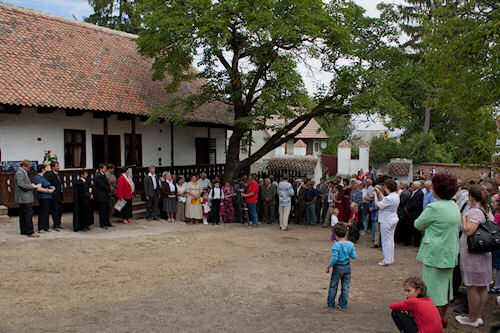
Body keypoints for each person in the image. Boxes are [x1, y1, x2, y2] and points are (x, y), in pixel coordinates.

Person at [414, 173, 460, 326]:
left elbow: (418, 224)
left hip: (435, 254)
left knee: (432, 291)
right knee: (446, 289)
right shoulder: (454, 206)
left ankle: (430, 321)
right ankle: (441, 317)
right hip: (449, 252)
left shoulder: (434, 207)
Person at [455, 185, 494, 328]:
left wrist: (463, 218)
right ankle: (478, 316)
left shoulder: (475, 212)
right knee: (482, 286)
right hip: (483, 253)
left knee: (472, 286)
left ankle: (472, 317)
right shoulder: (487, 210)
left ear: (471, 196)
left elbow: (468, 230)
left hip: (474, 254)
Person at [325, 222, 356, 310]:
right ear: (347, 233)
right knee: (345, 287)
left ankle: (330, 303)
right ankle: (343, 305)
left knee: (333, 285)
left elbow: (335, 258)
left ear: (335, 234)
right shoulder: (350, 244)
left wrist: (328, 266)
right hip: (347, 267)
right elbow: (354, 256)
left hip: (338, 267)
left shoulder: (336, 245)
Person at [374, 179, 400, 266]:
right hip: (393, 218)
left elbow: (378, 205)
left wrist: (375, 196)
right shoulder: (395, 196)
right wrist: (379, 193)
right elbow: (385, 199)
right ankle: (390, 258)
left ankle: (387, 260)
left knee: (386, 241)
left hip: (386, 220)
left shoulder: (390, 198)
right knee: (390, 240)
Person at [15, 160, 39, 237]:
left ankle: (24, 230)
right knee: (28, 213)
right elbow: (21, 184)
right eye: (28, 167)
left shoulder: (22, 172)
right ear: (24, 166)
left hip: (24, 197)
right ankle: (30, 231)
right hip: (24, 197)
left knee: (23, 214)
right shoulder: (20, 173)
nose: (29, 169)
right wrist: (31, 186)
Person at [34, 164, 55, 233]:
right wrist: (48, 191)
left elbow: (46, 184)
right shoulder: (38, 177)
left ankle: (46, 227)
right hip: (43, 197)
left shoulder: (43, 177)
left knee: (46, 212)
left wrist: (51, 187)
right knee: (43, 212)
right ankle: (41, 228)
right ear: (42, 170)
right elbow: (39, 188)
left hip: (48, 197)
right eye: (45, 169)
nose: (46, 170)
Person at [44, 161, 63, 230]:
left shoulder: (59, 174)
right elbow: (47, 184)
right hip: (54, 195)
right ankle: (56, 225)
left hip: (60, 194)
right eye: (57, 166)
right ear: (53, 167)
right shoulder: (49, 175)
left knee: (60, 210)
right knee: (55, 210)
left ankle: (59, 223)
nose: (58, 167)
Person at [405, 181, 424, 247]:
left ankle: (416, 242)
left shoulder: (420, 193)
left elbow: (416, 203)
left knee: (415, 229)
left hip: (415, 213)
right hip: (411, 213)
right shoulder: (412, 193)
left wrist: (408, 208)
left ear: (416, 186)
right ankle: (408, 241)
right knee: (409, 227)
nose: (411, 186)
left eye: (413, 185)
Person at [94, 164, 113, 229]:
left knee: (107, 210)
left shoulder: (103, 174)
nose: (105, 169)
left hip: (105, 195)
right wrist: (109, 189)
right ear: (101, 169)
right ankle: (102, 223)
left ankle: (107, 222)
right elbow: (102, 185)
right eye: (104, 168)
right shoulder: (98, 176)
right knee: (102, 210)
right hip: (101, 195)